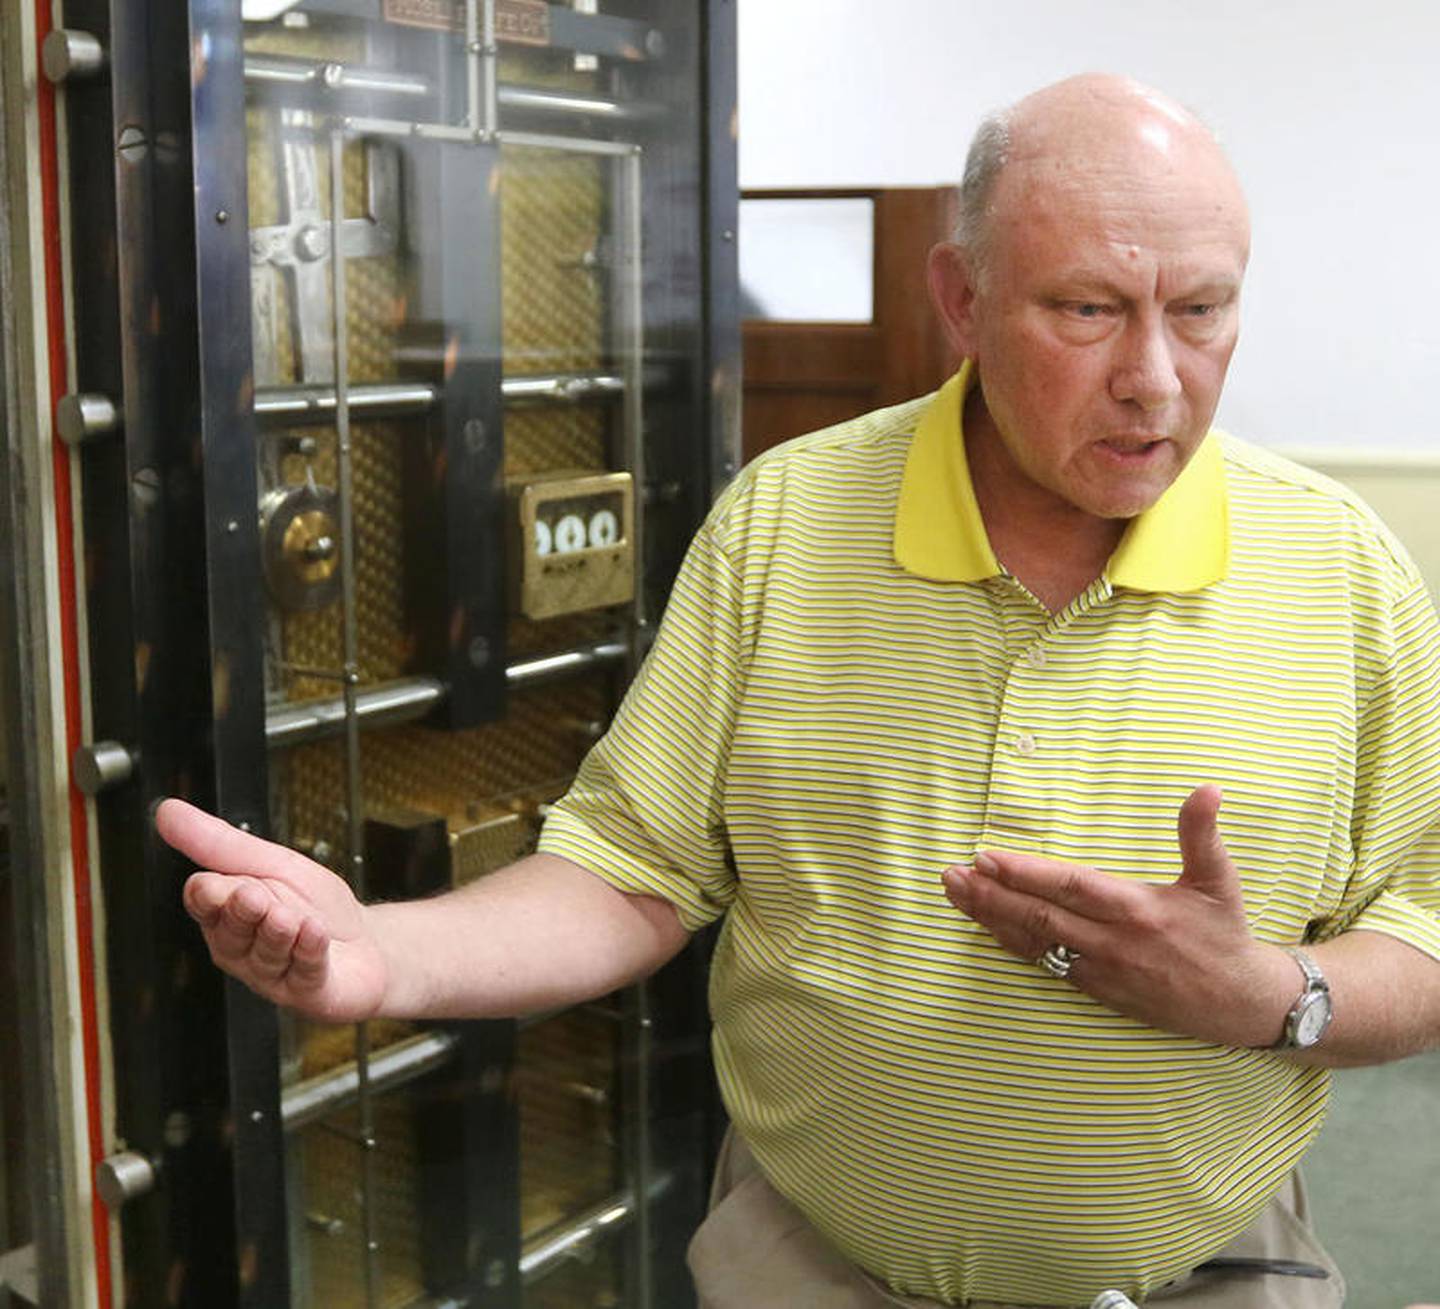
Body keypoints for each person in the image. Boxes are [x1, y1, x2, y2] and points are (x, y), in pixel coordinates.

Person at [158, 73, 1440, 1307]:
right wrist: (386, 953)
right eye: (1089, 310)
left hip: (1205, 1271)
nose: (1156, 378)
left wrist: (1271, 995)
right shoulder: (788, 520)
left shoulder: (1346, 577)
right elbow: (634, 867)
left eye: (1204, 310)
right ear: (962, 297)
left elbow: (1426, 929)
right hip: (813, 1262)